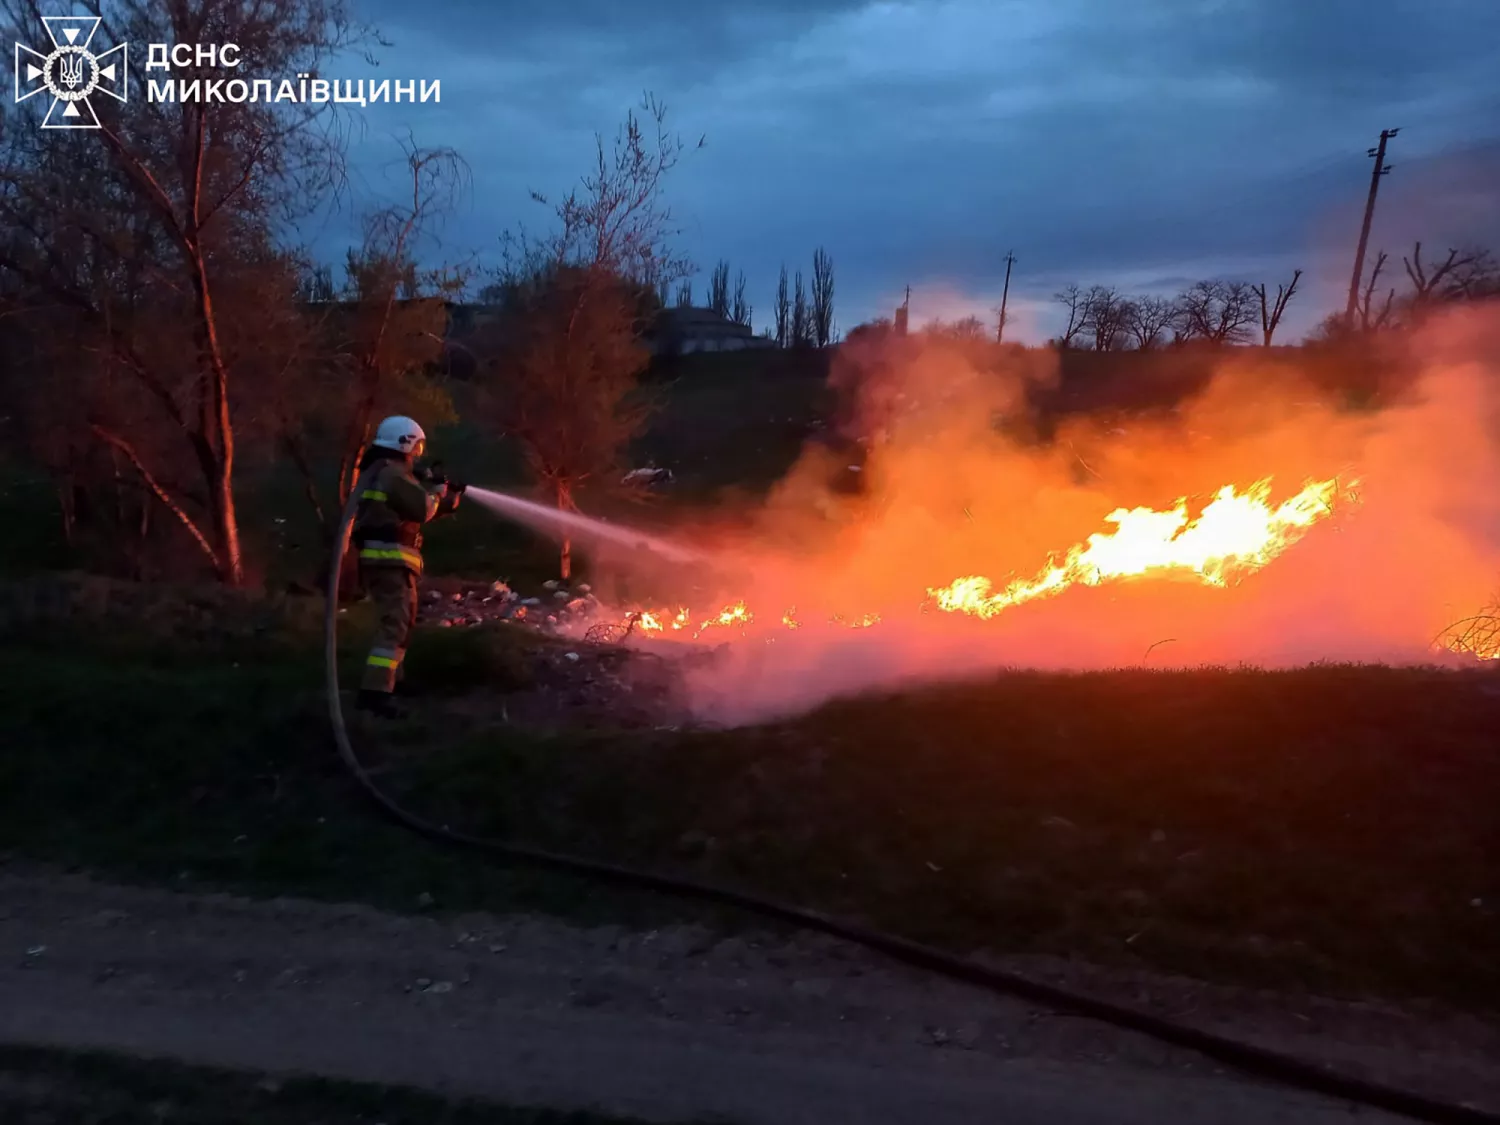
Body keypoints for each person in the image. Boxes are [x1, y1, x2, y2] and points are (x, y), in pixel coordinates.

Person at [351, 415, 462, 718]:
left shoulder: (387, 473)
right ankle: (375, 694)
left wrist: (448, 499)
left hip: (390, 561)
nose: (418, 454)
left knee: (402, 622)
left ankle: (392, 683)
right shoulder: (392, 474)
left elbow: (412, 512)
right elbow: (424, 509)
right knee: (395, 624)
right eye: (417, 447)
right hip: (389, 561)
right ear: (404, 443)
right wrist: (438, 493)